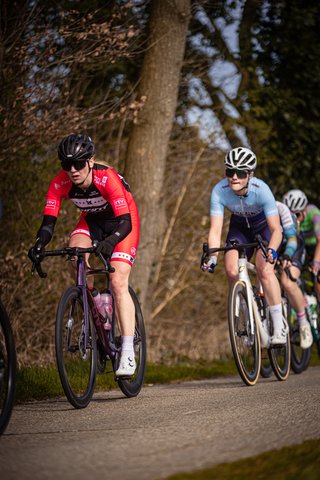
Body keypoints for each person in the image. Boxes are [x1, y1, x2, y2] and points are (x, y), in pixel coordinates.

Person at [28, 133, 139, 376]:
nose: (73, 170)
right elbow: (48, 223)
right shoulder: (59, 183)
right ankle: (95, 301)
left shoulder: (106, 178)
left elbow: (126, 223)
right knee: (74, 253)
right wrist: (39, 244)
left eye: (79, 164)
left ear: (90, 161)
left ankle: (128, 352)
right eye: (67, 165)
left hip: (122, 224)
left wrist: (111, 241)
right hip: (91, 222)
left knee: (118, 280)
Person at [202, 147, 286, 344]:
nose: (234, 177)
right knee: (231, 270)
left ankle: (279, 326)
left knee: (264, 270)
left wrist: (272, 251)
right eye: (230, 172)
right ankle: (249, 321)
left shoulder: (262, 190)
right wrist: (212, 258)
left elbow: (276, 230)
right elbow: (215, 231)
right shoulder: (219, 191)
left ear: (250, 175)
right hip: (239, 229)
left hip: (264, 229)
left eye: (240, 173)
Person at [276, 200, 312, 349]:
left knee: (288, 283)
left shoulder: (280, 210)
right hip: (275, 245)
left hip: (293, 244)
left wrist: (288, 256)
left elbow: (292, 239)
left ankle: (303, 323)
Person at [282, 189, 320, 301]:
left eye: (297, 215)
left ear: (304, 210)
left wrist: (317, 261)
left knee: (318, 275)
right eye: (291, 215)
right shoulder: (290, 221)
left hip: (316, 246)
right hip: (302, 246)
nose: (294, 219)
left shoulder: (314, 214)